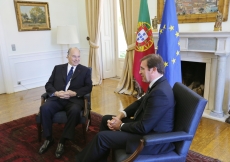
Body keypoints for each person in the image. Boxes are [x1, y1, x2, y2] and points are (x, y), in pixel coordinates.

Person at [75, 54, 175, 162]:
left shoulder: (160, 93)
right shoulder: (158, 84)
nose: (139, 72)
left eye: (142, 68)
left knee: (101, 137)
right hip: (145, 128)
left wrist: (120, 126)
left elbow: (144, 127)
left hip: (150, 139)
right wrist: (120, 115)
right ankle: (101, 158)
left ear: (154, 69)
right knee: (106, 119)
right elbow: (139, 103)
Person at [38, 47, 92, 158]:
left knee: (75, 110)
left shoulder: (85, 70)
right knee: (44, 108)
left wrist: (75, 93)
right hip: (57, 98)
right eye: (74, 56)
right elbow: (48, 85)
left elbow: (88, 87)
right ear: (67, 56)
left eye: (78, 56)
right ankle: (49, 138)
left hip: (74, 100)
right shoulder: (58, 68)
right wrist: (56, 93)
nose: (77, 59)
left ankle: (62, 140)